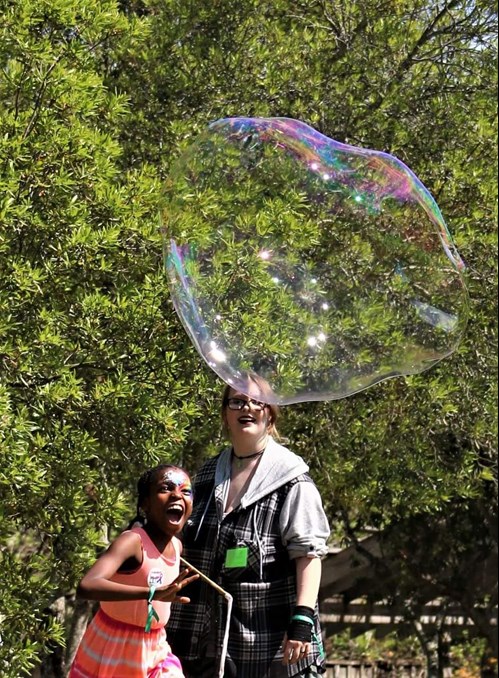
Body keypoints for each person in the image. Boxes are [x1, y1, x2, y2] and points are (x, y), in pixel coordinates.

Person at [168, 375, 331, 678]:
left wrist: (302, 619)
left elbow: (309, 555)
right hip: (200, 641)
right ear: (225, 414)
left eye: (258, 402)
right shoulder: (205, 475)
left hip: (266, 641)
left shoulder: (293, 480)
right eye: (237, 401)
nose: (248, 407)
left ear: (270, 414)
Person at [69, 464, 199, 678]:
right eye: (165, 488)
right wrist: (150, 594)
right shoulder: (132, 541)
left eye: (185, 491)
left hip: (156, 648)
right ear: (145, 504)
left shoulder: (177, 546)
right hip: (113, 647)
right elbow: (87, 585)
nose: (177, 495)